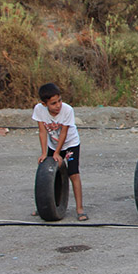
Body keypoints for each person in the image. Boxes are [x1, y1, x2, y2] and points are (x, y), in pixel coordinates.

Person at [32, 83, 87, 221]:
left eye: (60, 100)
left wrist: (57, 153)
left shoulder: (67, 110)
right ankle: (46, 206)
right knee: (49, 173)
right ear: (44, 104)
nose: (58, 105)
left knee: (73, 173)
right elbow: (43, 132)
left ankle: (80, 209)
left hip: (70, 144)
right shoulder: (39, 110)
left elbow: (63, 133)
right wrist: (44, 153)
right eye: (53, 103)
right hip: (52, 144)